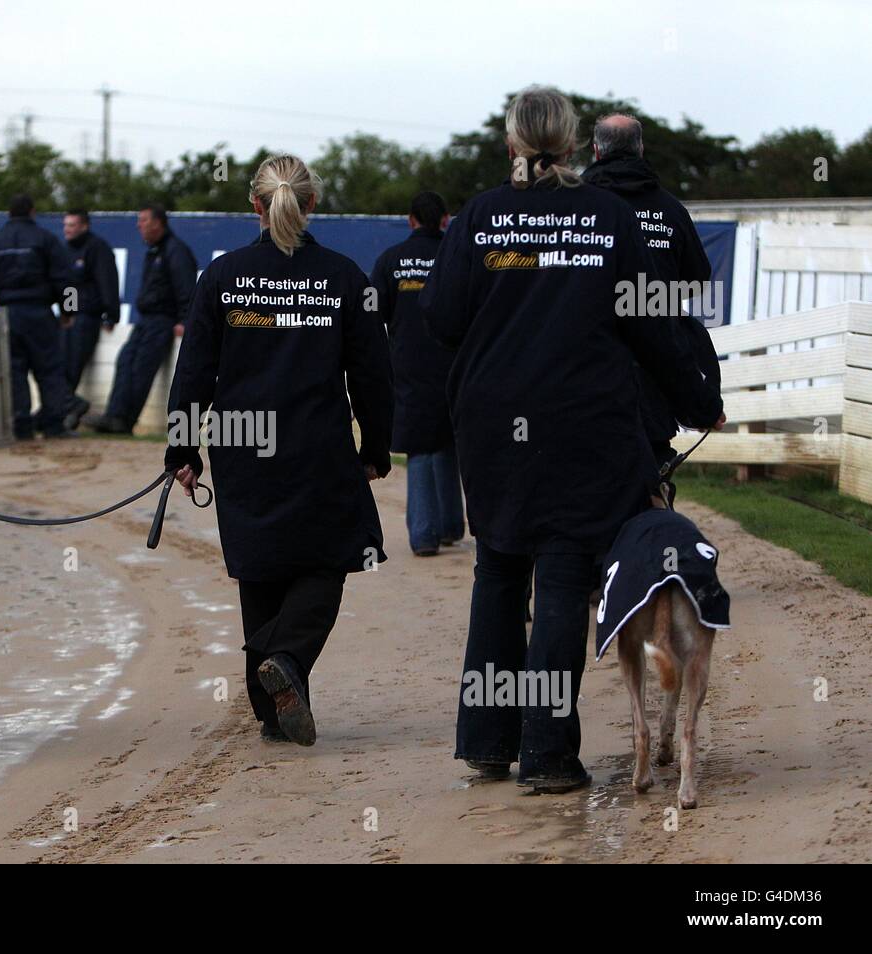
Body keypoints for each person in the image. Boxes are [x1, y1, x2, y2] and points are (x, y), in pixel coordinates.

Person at [420, 87, 723, 793]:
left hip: (493, 421)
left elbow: (438, 317)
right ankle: (548, 753)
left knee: (497, 567)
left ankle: (489, 742)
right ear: (573, 141)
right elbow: (656, 326)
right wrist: (700, 401)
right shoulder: (608, 219)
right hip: (583, 422)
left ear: (511, 144)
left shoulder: (479, 219)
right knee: (560, 570)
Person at [165, 154, 394, 746]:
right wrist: (376, 444)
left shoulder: (221, 277)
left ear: (255, 205)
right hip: (317, 445)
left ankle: (271, 711)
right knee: (331, 556)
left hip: (242, 448)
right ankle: (288, 659)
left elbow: (193, 372)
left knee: (260, 567)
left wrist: (182, 449)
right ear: (312, 203)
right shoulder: (345, 277)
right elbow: (372, 374)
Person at [583, 114, 723, 482]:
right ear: (641, 148)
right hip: (652, 385)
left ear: (596, 151)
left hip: (583, 383)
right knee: (651, 487)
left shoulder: (574, 206)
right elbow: (697, 278)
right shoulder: (669, 209)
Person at [370, 191, 463, 556]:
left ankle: (424, 534)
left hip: (408, 364)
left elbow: (371, 313)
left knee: (421, 446)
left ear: (410, 221)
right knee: (449, 441)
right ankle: (452, 526)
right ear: (445, 220)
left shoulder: (391, 260)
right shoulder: (457, 256)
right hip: (455, 363)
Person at [0, 193, 73, 440]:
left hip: (7, 315)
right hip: (40, 313)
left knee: (14, 371)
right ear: (32, 212)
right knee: (49, 370)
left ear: (9, 214)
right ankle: (53, 425)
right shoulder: (46, 240)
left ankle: (22, 426)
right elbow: (66, 280)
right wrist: (69, 311)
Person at [93, 204, 198, 434]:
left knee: (141, 369)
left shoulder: (175, 251)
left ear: (158, 223)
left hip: (162, 320)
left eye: (143, 220)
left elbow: (187, 288)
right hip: (146, 319)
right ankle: (114, 415)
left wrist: (184, 319)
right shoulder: (156, 251)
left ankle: (125, 420)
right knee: (125, 362)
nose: (139, 225)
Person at [60, 210, 121, 430]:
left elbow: (107, 281)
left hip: (88, 317)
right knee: (62, 365)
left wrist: (111, 314)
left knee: (73, 365)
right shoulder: (65, 250)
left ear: (84, 226)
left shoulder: (97, 248)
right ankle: (66, 408)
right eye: (66, 225)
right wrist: (67, 314)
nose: (67, 229)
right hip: (72, 318)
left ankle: (68, 409)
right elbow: (68, 286)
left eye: (72, 225)